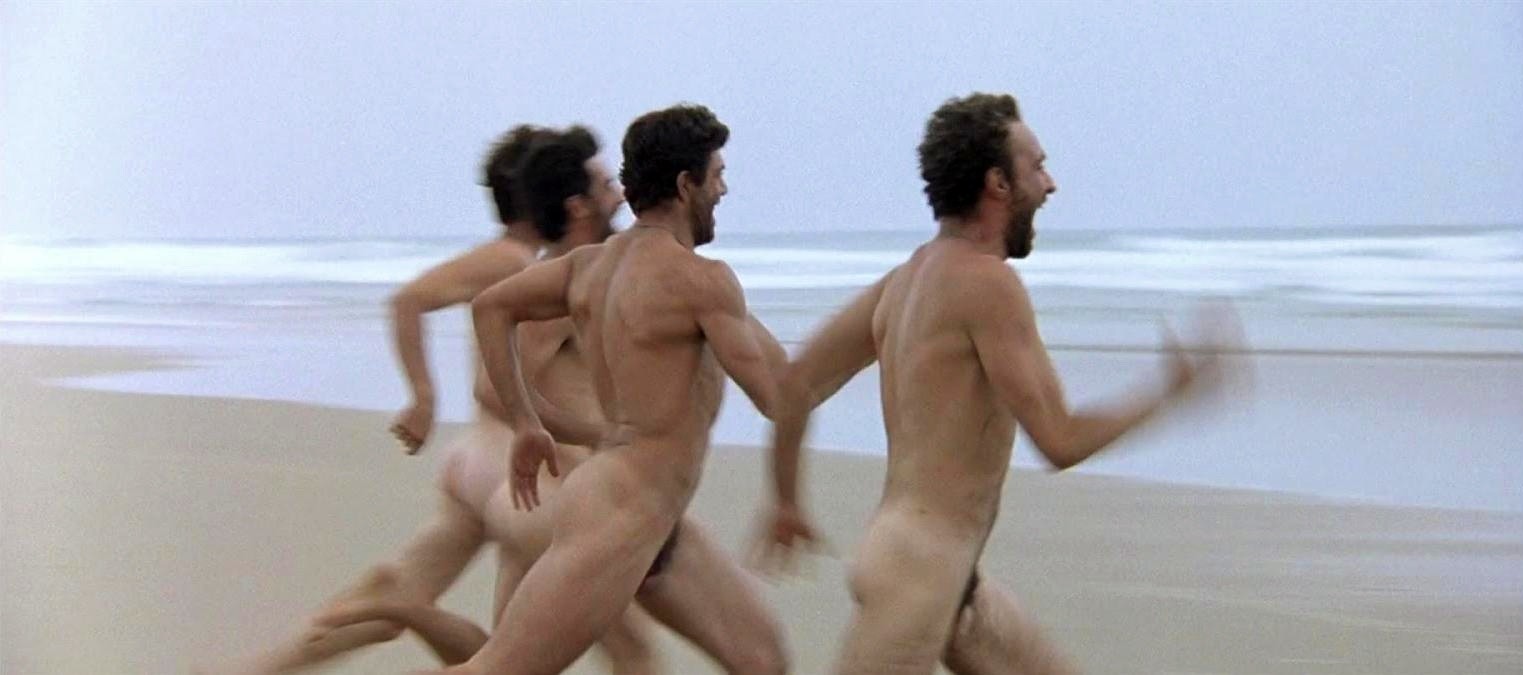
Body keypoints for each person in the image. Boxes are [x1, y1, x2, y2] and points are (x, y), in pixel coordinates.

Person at [749, 92, 1241, 674]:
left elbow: (794, 387)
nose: (1050, 184)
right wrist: (1167, 391)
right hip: (918, 579)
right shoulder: (988, 285)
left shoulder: (903, 283)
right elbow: (1060, 440)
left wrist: (786, 501)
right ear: (998, 184)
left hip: (941, 576)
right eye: (1037, 167)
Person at [220, 125, 658, 674]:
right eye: (600, 183)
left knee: (495, 649)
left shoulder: (545, 268)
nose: (614, 192)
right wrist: (424, 399)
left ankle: (255, 668)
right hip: (517, 472)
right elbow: (420, 311)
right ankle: (402, 608)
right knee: (611, 647)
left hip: (487, 464)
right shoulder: (522, 265)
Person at [444, 103, 788, 675]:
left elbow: (491, 308)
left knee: (763, 660)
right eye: (718, 175)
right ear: (686, 184)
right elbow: (778, 398)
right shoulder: (701, 282)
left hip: (648, 512)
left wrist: (530, 422)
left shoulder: (593, 267)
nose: (724, 190)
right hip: (617, 516)